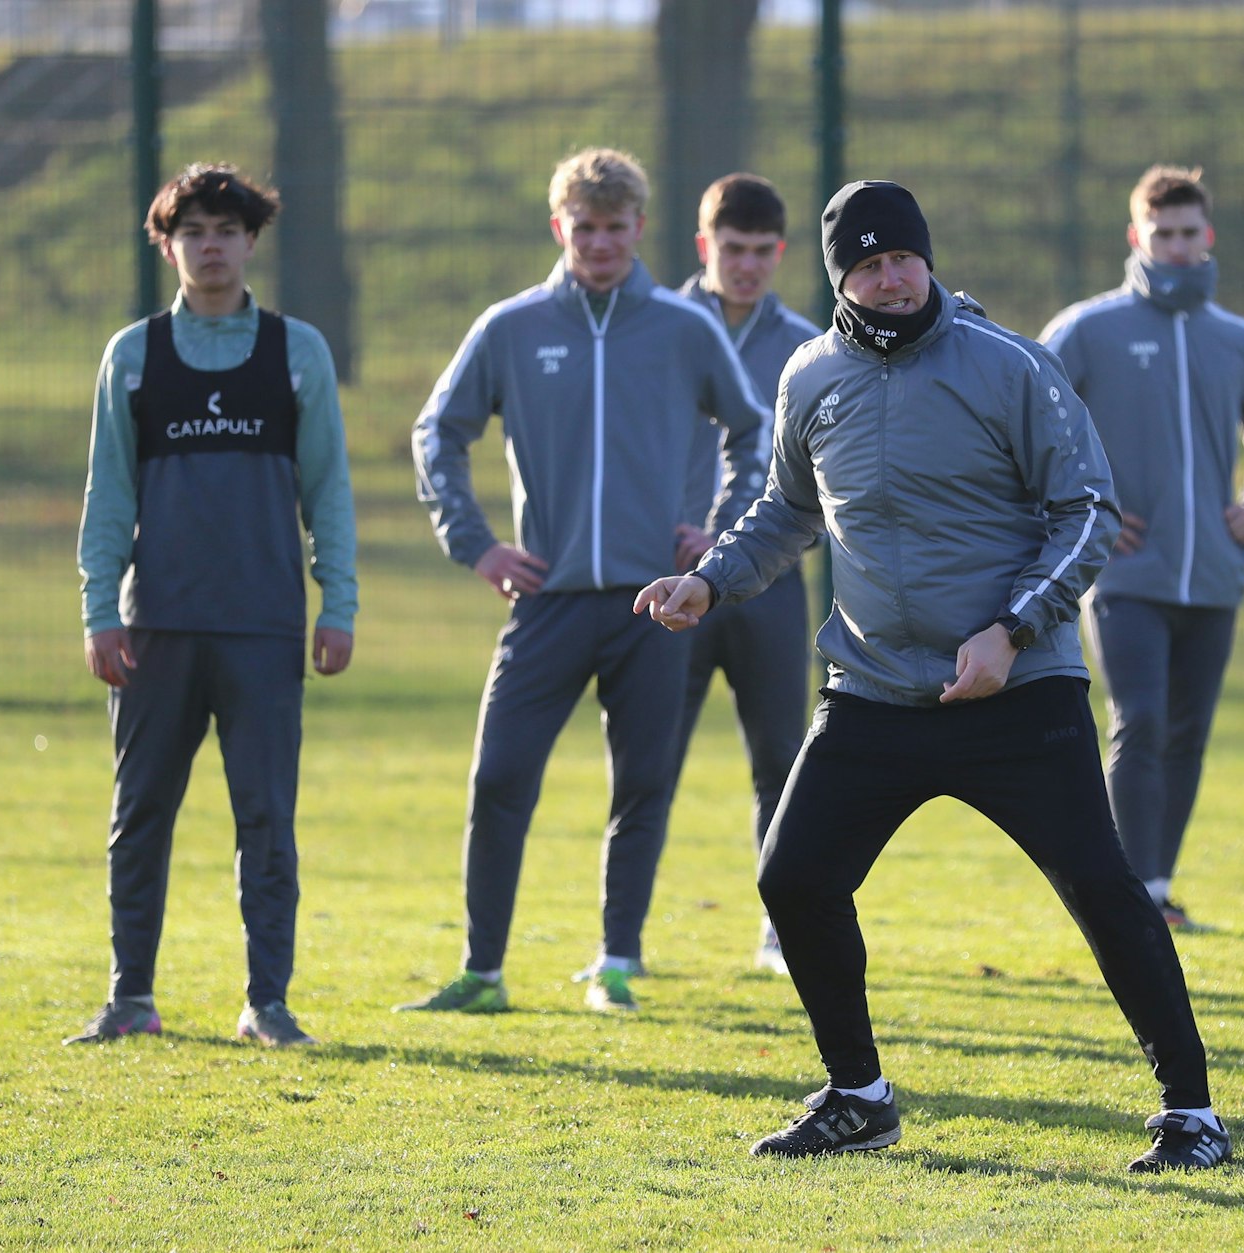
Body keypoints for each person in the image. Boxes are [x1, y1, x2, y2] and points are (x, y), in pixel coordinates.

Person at [636, 181, 1233, 1173]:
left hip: (1017, 690)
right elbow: (786, 509)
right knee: (794, 877)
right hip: (871, 690)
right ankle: (857, 1095)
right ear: (840, 279)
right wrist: (709, 582)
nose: (891, 278)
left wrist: (1010, 630)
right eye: (868, 266)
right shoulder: (808, 376)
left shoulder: (1009, 365)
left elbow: (1086, 509)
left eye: (902, 258)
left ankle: (1191, 1110)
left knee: (1100, 885)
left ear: (925, 258)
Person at [402, 148, 769, 1015]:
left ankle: (616, 962)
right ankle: (482, 971)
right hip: (548, 599)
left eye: (616, 226)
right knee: (499, 776)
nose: (600, 242)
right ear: (559, 226)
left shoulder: (683, 329)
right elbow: (436, 435)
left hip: (653, 605)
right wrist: (479, 545)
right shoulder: (512, 327)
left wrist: (719, 532)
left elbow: (756, 434)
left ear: (641, 228)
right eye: (585, 226)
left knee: (641, 784)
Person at [70, 163, 357, 1048]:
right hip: (155, 624)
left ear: (251, 241)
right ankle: (130, 998)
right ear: (167, 244)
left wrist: (336, 601)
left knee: (266, 818)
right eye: (192, 229)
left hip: (264, 626)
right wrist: (98, 608)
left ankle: (266, 1001)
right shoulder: (133, 353)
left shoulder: (296, 350)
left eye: (226, 229)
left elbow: (329, 491)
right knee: (139, 815)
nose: (211, 244)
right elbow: (108, 496)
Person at [1041, 165, 1244, 931]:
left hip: (1215, 574)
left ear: (1207, 236)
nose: (1177, 247)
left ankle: (1154, 887)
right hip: (1123, 574)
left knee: (1186, 732)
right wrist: (1083, 510)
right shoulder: (1089, 329)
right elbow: (1026, 422)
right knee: (1140, 718)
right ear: (1136, 237)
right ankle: (1128, 897)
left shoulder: (1239, 340)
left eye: (1189, 234)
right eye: (1163, 234)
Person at [663, 173, 821, 976]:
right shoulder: (654, 327)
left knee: (780, 759)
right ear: (705, 247)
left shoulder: (809, 344)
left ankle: (778, 931)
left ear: (781, 253)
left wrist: (747, 542)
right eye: (733, 249)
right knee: (648, 762)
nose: (747, 265)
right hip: (669, 587)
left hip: (768, 584)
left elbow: (827, 476)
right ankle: (621, 943)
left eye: (762, 251)